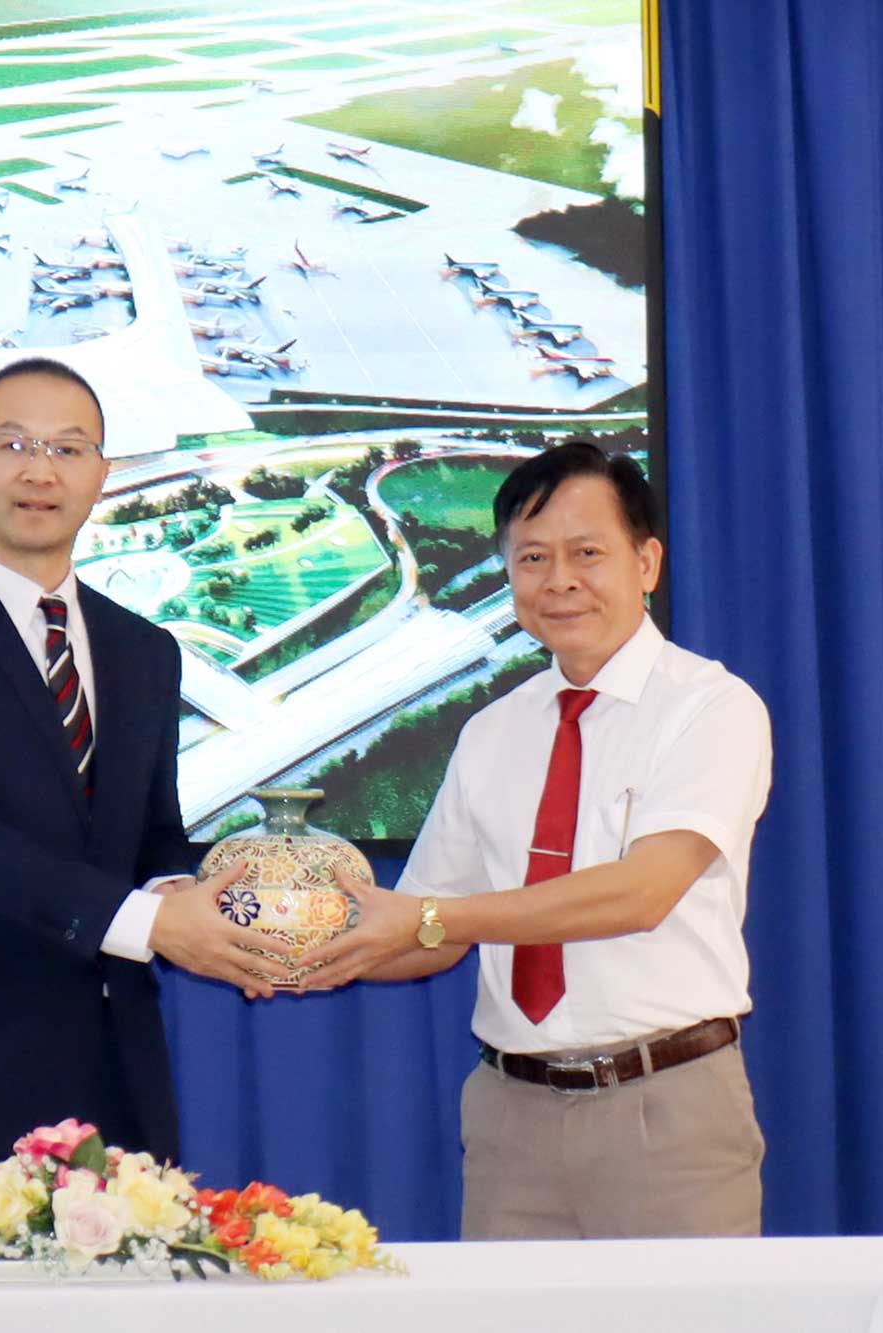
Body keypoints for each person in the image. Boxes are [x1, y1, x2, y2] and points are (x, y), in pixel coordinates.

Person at [302, 441, 772, 1239]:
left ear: (647, 562)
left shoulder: (712, 706)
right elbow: (421, 924)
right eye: (532, 557)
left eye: (587, 553)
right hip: (510, 1118)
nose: (559, 580)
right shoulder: (491, 731)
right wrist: (281, 941)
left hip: (669, 1111)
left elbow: (642, 891)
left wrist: (438, 921)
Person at [0, 357, 274, 1198]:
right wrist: (155, 925)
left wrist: (199, 904)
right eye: (12, 444)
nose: (40, 470)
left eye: (69, 449)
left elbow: (151, 830)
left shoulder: (145, 649)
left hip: (118, 1080)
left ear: (102, 476)